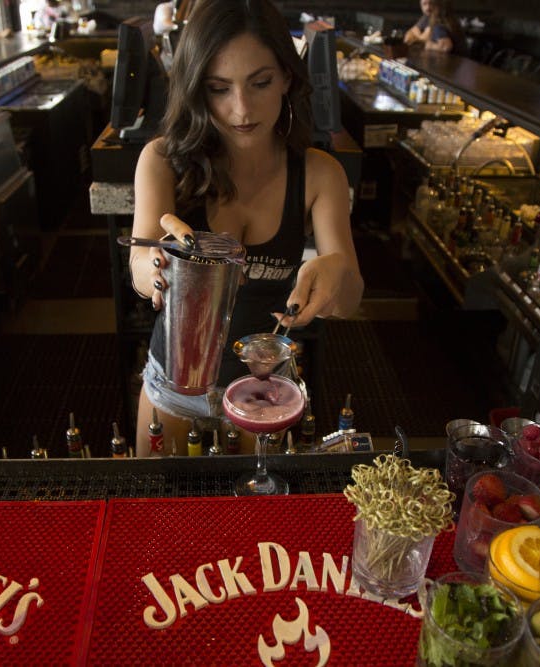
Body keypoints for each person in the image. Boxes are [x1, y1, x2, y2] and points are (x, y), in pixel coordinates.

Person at [129, 0, 363, 456]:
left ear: (287, 79)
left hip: (265, 390)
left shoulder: (319, 174)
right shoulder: (161, 161)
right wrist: (152, 267)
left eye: (260, 83)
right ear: (197, 89)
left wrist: (338, 273)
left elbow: (350, 299)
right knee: (155, 512)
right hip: (175, 383)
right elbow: (140, 261)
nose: (241, 109)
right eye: (219, 89)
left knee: (254, 517)